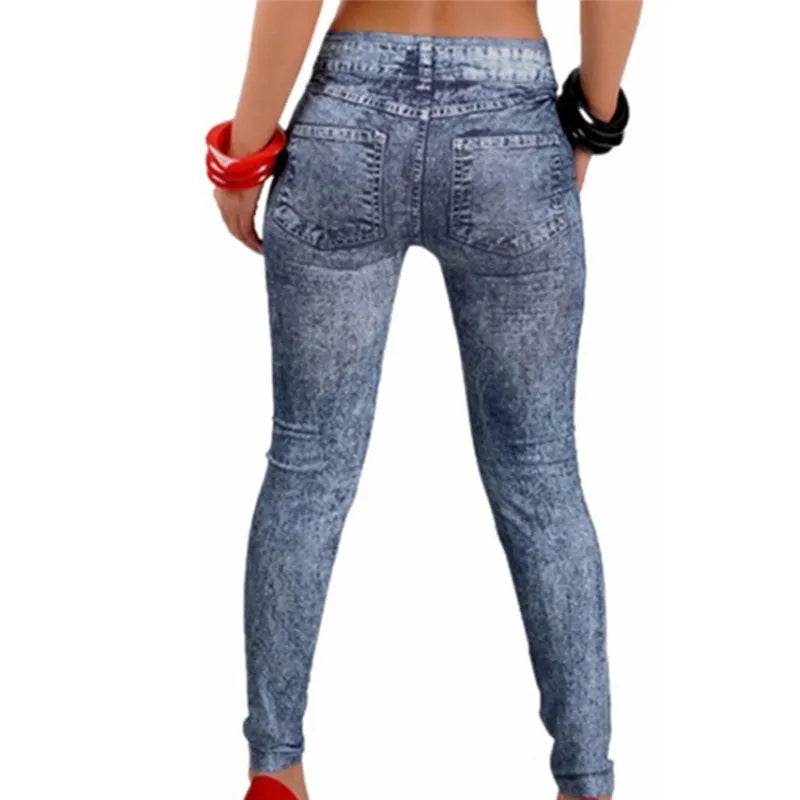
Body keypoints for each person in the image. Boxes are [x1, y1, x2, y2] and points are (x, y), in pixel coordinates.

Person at [211, 2, 642, 799]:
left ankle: (275, 770)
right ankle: (587, 782)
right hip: (510, 118)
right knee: (540, 471)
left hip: (348, 117)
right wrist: (593, 118)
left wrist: (243, 151)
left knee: (307, 463)